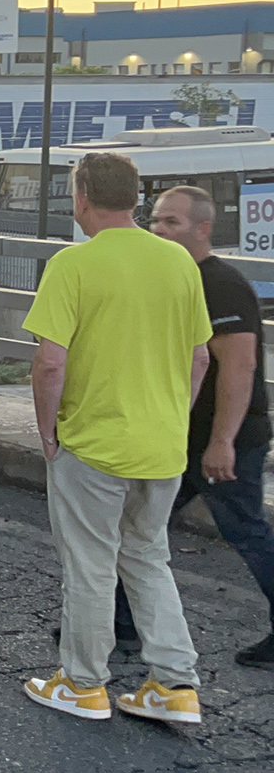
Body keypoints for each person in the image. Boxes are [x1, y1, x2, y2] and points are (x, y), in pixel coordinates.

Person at [21, 152, 211, 724]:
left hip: (95, 444)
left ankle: (83, 684)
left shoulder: (74, 264)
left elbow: (50, 364)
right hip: (162, 446)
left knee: (90, 566)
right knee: (149, 559)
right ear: (136, 200)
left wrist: (47, 431)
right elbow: (201, 357)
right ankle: (175, 685)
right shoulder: (178, 262)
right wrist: (172, 418)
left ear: (81, 197)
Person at [115, 185, 274, 669]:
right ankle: (118, 624)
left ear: (203, 229)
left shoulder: (219, 283)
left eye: (172, 223)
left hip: (224, 438)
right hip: (179, 435)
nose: (158, 229)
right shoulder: (177, 275)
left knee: (245, 531)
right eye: (155, 220)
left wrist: (222, 442)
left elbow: (239, 366)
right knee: (140, 526)